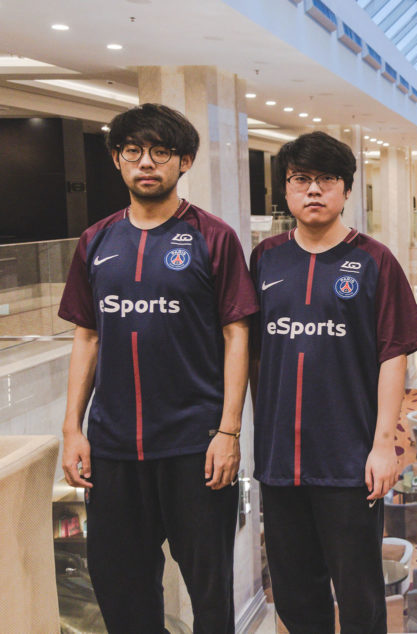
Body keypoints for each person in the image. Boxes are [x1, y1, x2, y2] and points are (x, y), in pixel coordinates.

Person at [58, 103, 258, 633]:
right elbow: (87, 336)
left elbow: (237, 335)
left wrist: (229, 431)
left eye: (161, 152)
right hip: (113, 449)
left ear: (184, 161)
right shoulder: (96, 241)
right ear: (117, 160)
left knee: (210, 596)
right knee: (122, 594)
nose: (146, 162)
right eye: (133, 151)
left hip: (195, 448)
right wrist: (72, 429)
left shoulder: (213, 237)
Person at [249, 132, 417, 632]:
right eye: (300, 179)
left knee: (360, 596)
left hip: (350, 462)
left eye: (326, 179)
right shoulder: (265, 258)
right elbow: (251, 353)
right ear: (285, 189)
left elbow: (393, 355)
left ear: (347, 190)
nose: (313, 190)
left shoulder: (375, 260)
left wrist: (383, 446)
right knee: (293, 594)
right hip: (280, 462)